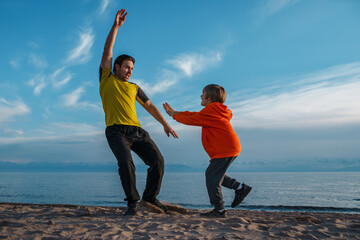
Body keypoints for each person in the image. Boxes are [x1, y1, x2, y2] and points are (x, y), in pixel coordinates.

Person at [99, 9, 178, 216]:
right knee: (126, 163)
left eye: (132, 68)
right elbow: (108, 51)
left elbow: (150, 105)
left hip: (137, 132)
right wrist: (115, 27)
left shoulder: (134, 87)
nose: (130, 71)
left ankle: (150, 198)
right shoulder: (107, 79)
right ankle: (133, 203)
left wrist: (165, 124)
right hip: (116, 132)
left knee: (158, 161)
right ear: (116, 67)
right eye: (126, 67)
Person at [163, 84, 251, 218]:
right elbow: (194, 114)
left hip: (226, 149)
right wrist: (176, 113)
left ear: (209, 98)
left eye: (202, 94)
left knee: (212, 177)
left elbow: (192, 119)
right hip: (228, 148)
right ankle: (240, 188)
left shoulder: (211, 111)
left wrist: (174, 116)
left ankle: (219, 210)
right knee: (215, 175)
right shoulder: (214, 110)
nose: (200, 96)